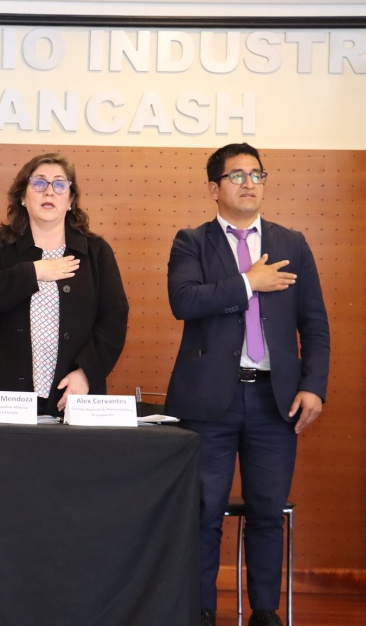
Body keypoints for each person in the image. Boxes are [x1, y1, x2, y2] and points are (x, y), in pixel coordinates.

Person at [165, 143, 330, 626]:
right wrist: (247, 283)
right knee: (203, 513)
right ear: (213, 188)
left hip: (274, 400)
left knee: (266, 511)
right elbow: (184, 301)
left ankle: (264, 612)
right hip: (206, 403)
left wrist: (314, 385)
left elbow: (315, 323)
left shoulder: (292, 243)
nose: (249, 183)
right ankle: (200, 612)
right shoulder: (191, 242)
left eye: (256, 174)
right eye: (236, 175)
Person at [0, 152, 128, 414]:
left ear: (70, 200)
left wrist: (86, 372)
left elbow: (114, 319)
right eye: (39, 183)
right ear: (22, 197)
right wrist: (33, 272)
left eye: (59, 184)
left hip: (72, 393)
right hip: (7, 398)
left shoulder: (95, 251)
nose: (49, 192)